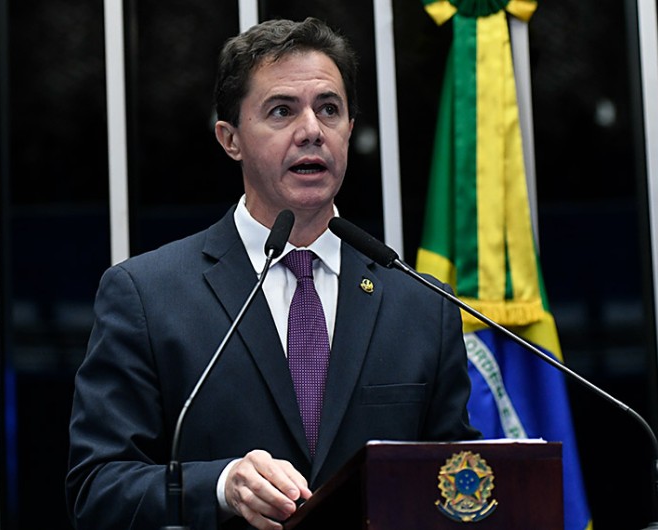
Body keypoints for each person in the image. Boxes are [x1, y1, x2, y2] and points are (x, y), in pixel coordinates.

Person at [66, 17, 479, 530]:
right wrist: (221, 486)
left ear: (350, 129)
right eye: (282, 111)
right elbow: (97, 489)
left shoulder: (421, 304)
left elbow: (458, 482)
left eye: (329, 109)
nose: (312, 130)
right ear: (230, 139)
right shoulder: (148, 296)